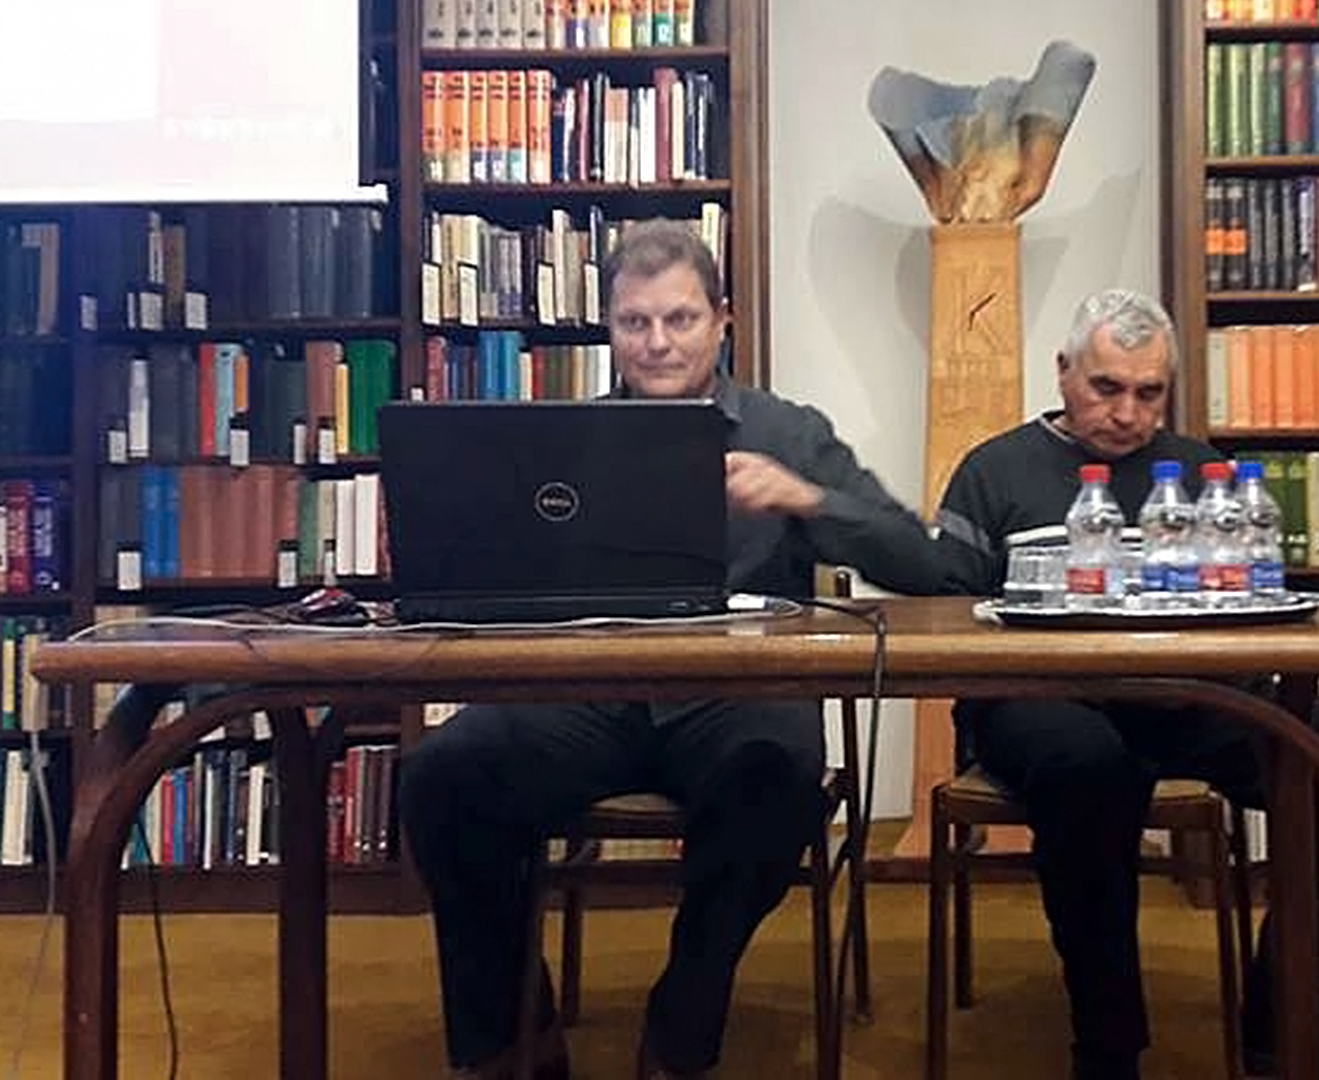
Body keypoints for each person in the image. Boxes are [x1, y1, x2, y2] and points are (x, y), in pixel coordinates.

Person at [399, 223, 947, 1080]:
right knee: (444, 775)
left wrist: (807, 499)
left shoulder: (787, 430)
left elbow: (924, 564)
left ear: (723, 321)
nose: (657, 343)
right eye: (635, 322)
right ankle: (512, 1037)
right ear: (610, 329)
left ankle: (685, 1019)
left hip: (739, 697)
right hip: (590, 697)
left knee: (778, 780)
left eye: (681, 319)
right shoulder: (562, 440)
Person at [933, 288, 1319, 1080]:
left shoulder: (1202, 474)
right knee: (1089, 769)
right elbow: (947, 619)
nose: (1128, 413)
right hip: (1041, 703)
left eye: (1149, 392)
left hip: (1190, 697)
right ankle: (1108, 1045)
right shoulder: (993, 471)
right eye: (1107, 388)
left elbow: (1249, 599)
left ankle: (1287, 1013)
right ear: (1064, 372)